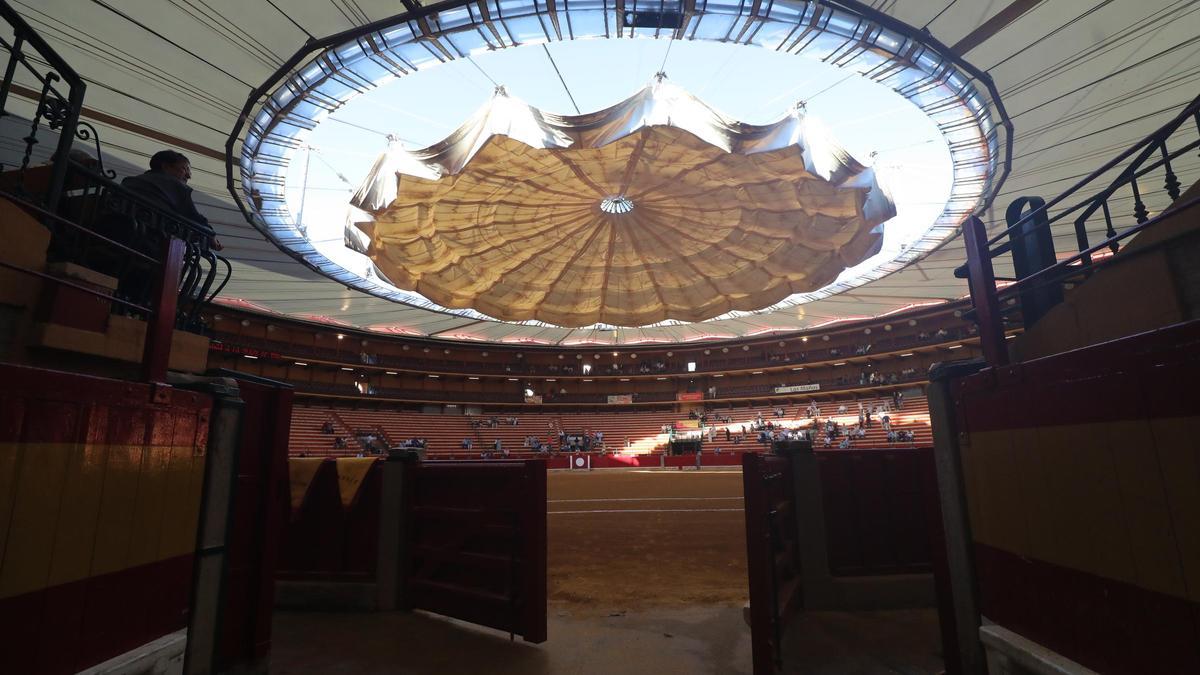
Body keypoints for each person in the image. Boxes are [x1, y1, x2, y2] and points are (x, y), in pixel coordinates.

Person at [120, 150, 222, 249]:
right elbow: (193, 216)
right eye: (184, 169)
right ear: (165, 167)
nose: (188, 176)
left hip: (117, 234)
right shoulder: (174, 185)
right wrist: (210, 234)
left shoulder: (129, 182)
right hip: (150, 244)